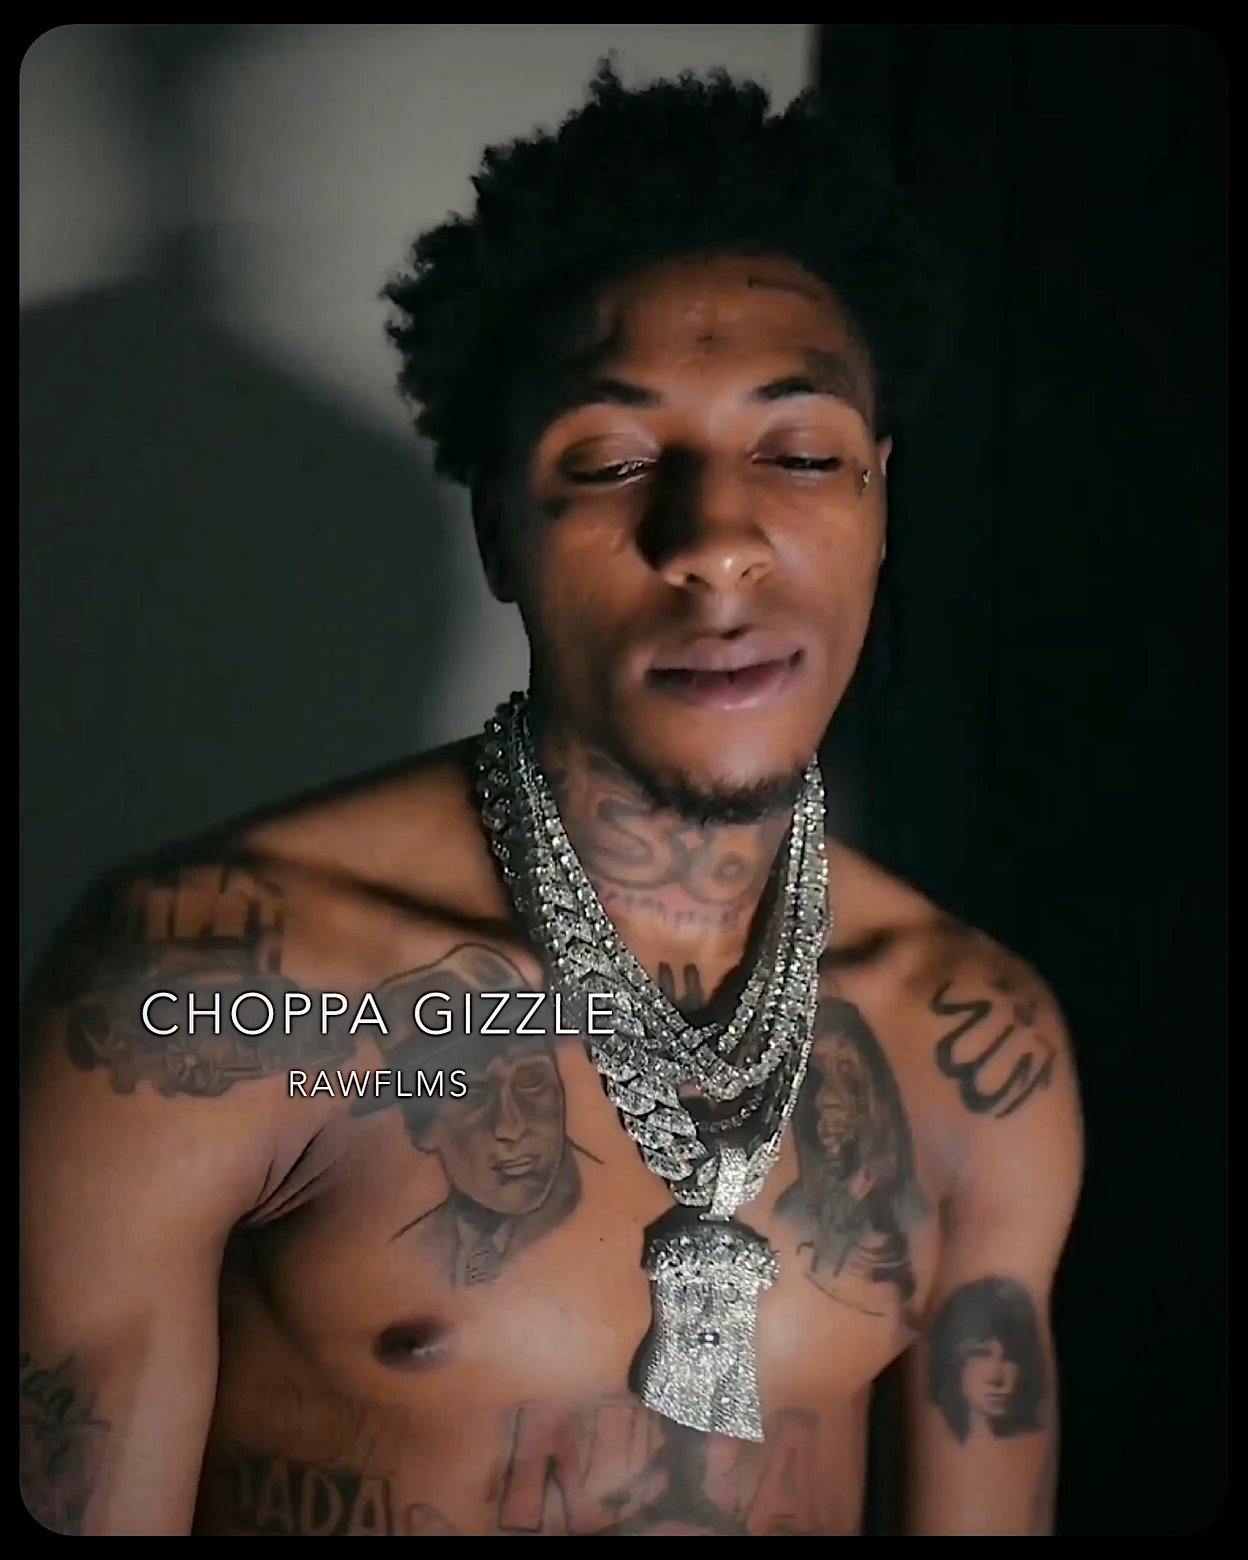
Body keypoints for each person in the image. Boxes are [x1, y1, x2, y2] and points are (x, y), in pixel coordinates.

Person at [19, 62, 1083, 1536]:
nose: (715, 540)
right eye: (614, 459)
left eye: (799, 453)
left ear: (879, 501)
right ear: (499, 528)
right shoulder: (207, 998)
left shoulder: (980, 1049)